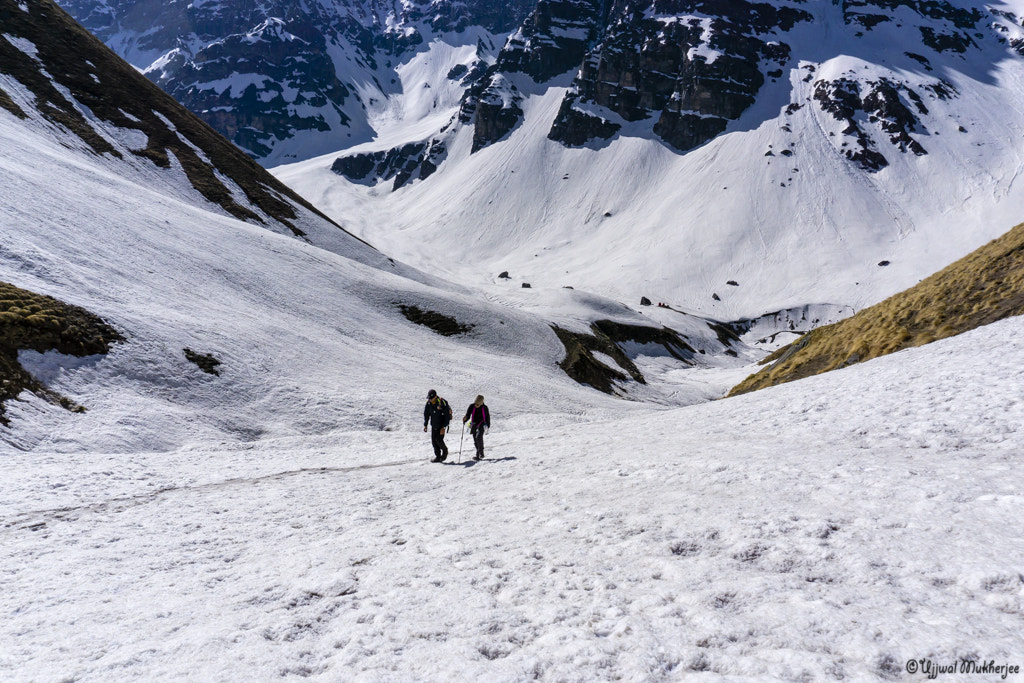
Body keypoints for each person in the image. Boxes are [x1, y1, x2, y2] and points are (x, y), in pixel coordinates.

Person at [423, 389, 452, 462]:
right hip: (434, 425)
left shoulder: (442, 403)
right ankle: (438, 457)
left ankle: (445, 451)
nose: (430, 400)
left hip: (441, 425)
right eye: (429, 398)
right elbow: (426, 414)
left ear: (435, 396)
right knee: (434, 442)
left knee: (439, 440)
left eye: (431, 398)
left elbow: (447, 416)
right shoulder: (429, 404)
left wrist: (444, 427)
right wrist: (425, 425)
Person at [462, 395, 491, 460]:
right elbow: (468, 415)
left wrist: (487, 426)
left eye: (477, 404)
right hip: (474, 424)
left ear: (481, 403)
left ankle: (481, 453)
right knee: (475, 439)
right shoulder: (471, 406)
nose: (476, 405)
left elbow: (487, 417)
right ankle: (478, 454)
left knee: (479, 437)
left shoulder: (485, 408)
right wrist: (465, 419)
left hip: (482, 424)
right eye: (475, 403)